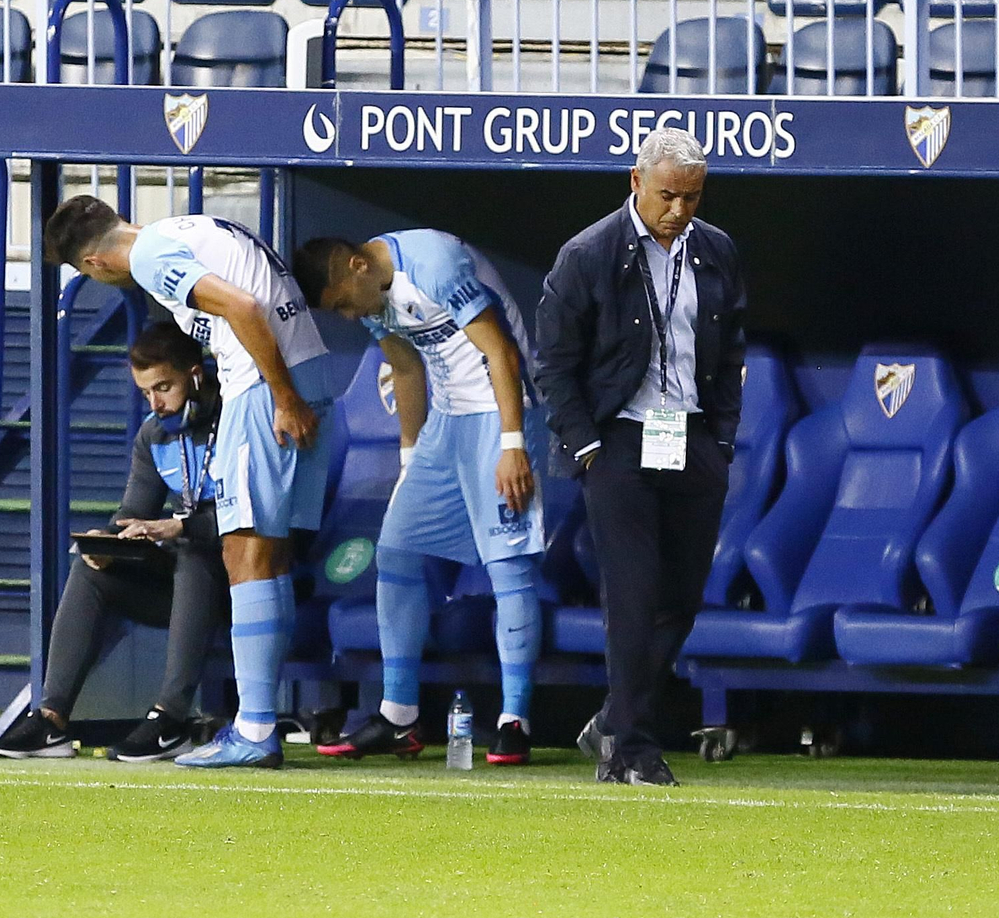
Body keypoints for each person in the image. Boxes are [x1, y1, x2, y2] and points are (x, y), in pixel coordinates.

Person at [43, 198, 334, 770]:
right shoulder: (185, 231)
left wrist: (281, 396)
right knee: (266, 553)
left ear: (97, 263)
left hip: (265, 385)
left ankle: (253, 730)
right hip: (305, 367)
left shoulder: (151, 255)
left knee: (243, 549)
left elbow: (245, 307)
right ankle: (258, 724)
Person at [534, 127, 746, 786]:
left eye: (692, 197)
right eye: (668, 195)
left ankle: (613, 719)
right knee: (632, 594)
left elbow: (731, 347)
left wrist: (722, 440)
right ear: (635, 180)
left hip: (691, 436)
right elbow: (553, 365)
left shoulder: (715, 251)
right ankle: (633, 748)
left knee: (681, 597)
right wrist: (589, 445)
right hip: (618, 438)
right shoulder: (588, 254)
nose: (680, 210)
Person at [294, 230, 546, 765]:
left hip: (505, 414)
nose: (344, 316)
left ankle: (514, 719)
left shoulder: (434, 262)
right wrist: (410, 460)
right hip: (446, 426)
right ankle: (399, 715)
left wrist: (512, 444)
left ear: (358, 266)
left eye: (341, 303)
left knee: (508, 565)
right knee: (396, 552)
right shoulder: (372, 296)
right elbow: (405, 367)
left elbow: (500, 351)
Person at [0, 322, 230, 763]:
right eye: (145, 393)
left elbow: (255, 516)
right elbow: (132, 511)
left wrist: (181, 528)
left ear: (195, 376)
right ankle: (51, 719)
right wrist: (109, 540)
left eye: (164, 387)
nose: (155, 403)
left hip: (241, 581)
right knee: (91, 567)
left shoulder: (235, 420)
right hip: (184, 582)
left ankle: (170, 721)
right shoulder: (154, 436)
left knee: (193, 551)